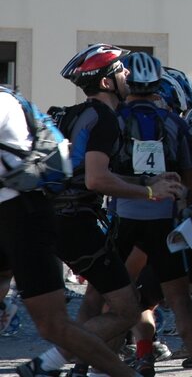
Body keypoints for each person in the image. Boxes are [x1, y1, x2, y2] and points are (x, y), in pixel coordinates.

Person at [23, 45, 183, 377]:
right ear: (108, 83)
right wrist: (149, 190)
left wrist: (143, 178)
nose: (130, 76)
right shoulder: (106, 118)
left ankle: (90, 370)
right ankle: (48, 363)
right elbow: (96, 179)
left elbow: (87, 172)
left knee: (96, 298)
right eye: (123, 71)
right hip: (77, 220)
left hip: (50, 217)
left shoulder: (73, 112)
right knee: (125, 310)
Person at [0, 87, 145, 377]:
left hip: (23, 214)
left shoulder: (3, 101)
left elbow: (96, 178)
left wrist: (149, 190)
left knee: (54, 324)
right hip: (23, 213)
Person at [111, 52, 192, 376]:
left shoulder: (114, 118)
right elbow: (189, 174)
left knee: (112, 295)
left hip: (124, 217)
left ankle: (118, 360)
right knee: (180, 298)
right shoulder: (174, 122)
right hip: (163, 220)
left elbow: (102, 172)